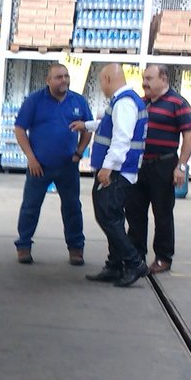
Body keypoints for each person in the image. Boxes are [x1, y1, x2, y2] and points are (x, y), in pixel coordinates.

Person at [71, 63, 149, 288]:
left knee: (107, 217)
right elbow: (110, 125)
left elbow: (121, 138)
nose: (101, 86)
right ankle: (115, 265)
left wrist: (107, 168)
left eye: (101, 81)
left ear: (106, 79)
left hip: (117, 172)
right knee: (111, 216)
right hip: (120, 170)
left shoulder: (124, 103)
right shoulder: (126, 101)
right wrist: (86, 125)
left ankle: (134, 263)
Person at [13, 63, 93, 266]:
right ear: (48, 80)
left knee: (72, 208)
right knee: (30, 207)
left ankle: (76, 249)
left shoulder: (78, 101)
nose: (63, 80)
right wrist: (31, 158)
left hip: (68, 166)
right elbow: (20, 129)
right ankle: (24, 246)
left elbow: (88, 128)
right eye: (58, 77)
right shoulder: (35, 101)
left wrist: (79, 152)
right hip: (39, 166)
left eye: (66, 76)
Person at [128, 64, 191, 274]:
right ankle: (136, 254)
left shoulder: (178, 103)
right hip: (140, 165)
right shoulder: (142, 102)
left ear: (164, 79)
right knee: (135, 211)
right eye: (144, 78)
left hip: (164, 165)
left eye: (149, 78)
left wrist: (180, 167)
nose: (144, 83)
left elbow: (189, 136)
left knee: (162, 212)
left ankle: (163, 257)